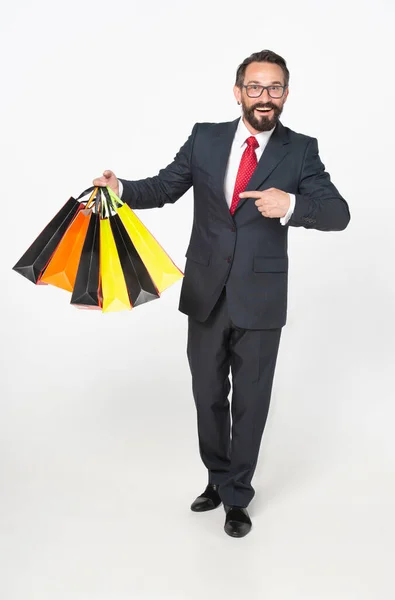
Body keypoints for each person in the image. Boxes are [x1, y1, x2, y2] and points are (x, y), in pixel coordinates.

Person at [93, 49, 350, 539]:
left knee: (250, 402)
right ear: (238, 93)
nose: (265, 97)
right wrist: (120, 187)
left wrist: (291, 203)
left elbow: (338, 213)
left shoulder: (300, 150)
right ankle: (216, 477)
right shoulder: (205, 138)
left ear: (286, 95)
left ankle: (237, 496)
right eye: (255, 87)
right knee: (208, 395)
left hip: (262, 298)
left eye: (275, 88)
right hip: (206, 291)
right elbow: (165, 187)